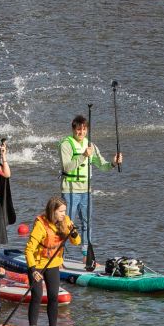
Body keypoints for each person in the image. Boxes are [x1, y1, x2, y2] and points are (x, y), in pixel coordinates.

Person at [58, 116, 118, 270]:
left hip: (86, 191)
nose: (81, 132)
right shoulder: (66, 144)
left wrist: (113, 163)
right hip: (70, 190)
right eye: (78, 129)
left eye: (84, 129)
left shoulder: (91, 145)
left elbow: (102, 165)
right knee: (66, 224)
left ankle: (86, 257)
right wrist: (83, 155)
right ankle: (59, 258)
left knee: (87, 223)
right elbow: (67, 167)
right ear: (73, 129)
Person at [23, 197, 77, 326]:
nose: (64, 214)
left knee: (53, 296)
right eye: (61, 211)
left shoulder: (65, 221)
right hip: (37, 265)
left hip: (53, 263)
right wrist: (33, 270)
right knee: (37, 296)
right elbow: (29, 250)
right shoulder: (41, 225)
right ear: (53, 211)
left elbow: (76, 242)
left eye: (65, 211)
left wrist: (74, 234)